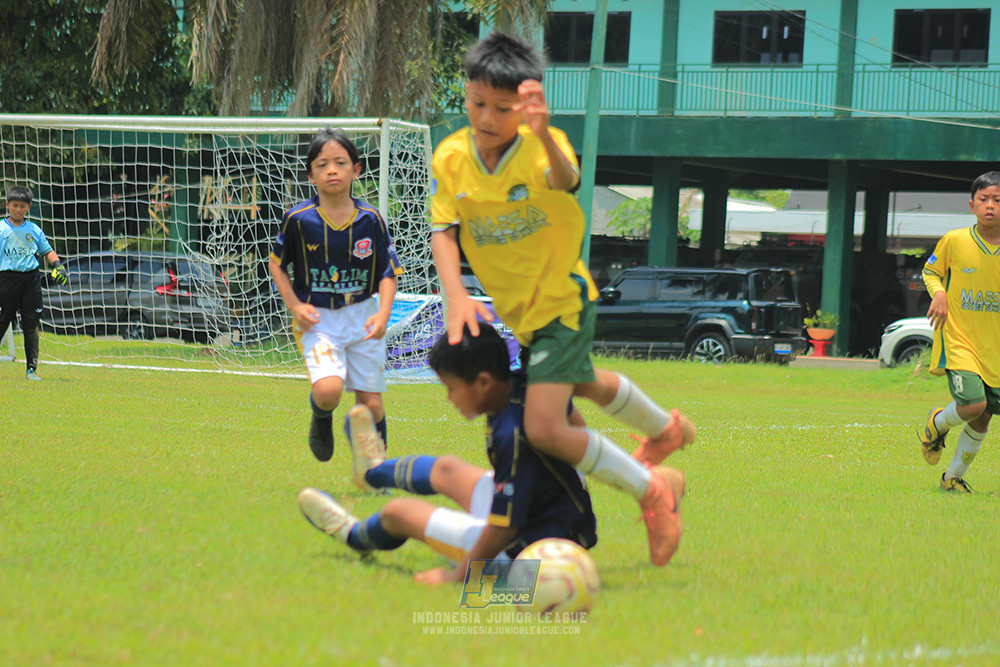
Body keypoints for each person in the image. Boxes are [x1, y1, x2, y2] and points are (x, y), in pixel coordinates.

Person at [429, 31, 695, 566]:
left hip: (561, 301)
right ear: (465, 94)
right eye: (477, 103)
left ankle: (652, 490)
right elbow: (444, 229)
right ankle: (666, 431)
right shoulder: (451, 157)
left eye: (502, 108)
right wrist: (454, 293)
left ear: (522, 107)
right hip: (523, 316)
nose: (486, 117)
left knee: (546, 427)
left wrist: (544, 134)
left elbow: (566, 178)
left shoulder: (538, 149)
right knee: (582, 385)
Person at [297, 325, 686, 581]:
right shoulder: (526, 389)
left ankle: (352, 535)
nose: (449, 398)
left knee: (400, 513)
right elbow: (577, 428)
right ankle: (373, 471)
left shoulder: (512, 435)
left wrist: (457, 577)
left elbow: (504, 527)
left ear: (483, 382)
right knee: (448, 469)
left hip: (532, 555)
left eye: (451, 388)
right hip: (550, 513)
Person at [270, 128, 403, 463]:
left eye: (340, 162)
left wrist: (383, 314)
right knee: (328, 392)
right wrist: (295, 306)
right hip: (319, 318)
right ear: (310, 174)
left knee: (371, 406)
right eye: (322, 164)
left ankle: (376, 471)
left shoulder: (370, 219)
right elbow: (277, 266)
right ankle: (322, 417)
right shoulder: (298, 220)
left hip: (363, 315)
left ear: (356, 170)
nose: (332, 170)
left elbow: (388, 273)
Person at [919, 171, 1000, 492]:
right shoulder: (955, 240)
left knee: (984, 417)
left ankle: (952, 478)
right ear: (972, 205)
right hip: (960, 340)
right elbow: (930, 271)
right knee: (972, 406)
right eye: (984, 200)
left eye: (997, 200)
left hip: (994, 346)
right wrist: (939, 294)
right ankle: (936, 422)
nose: (990, 206)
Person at [0, 185, 69, 381]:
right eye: (15, 205)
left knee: (30, 325)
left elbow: (47, 250)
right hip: (6, 280)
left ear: (28, 207)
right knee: (3, 321)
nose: (18, 209)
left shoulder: (34, 230)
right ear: (8, 205)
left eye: (22, 206)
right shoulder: (1, 228)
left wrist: (58, 265)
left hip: (30, 280)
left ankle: (31, 369)